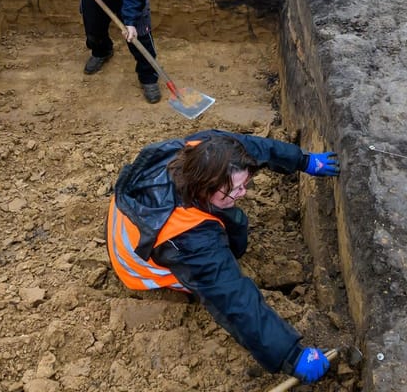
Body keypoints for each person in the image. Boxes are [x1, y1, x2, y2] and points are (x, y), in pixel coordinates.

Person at [107, 131, 341, 384]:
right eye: (233, 190)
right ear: (203, 190)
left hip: (135, 218)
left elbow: (253, 147)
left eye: (244, 184)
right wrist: (290, 355)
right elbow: (233, 299)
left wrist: (302, 161)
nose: (243, 193)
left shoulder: (200, 149)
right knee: (219, 266)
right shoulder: (189, 239)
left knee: (233, 221)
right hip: (141, 265)